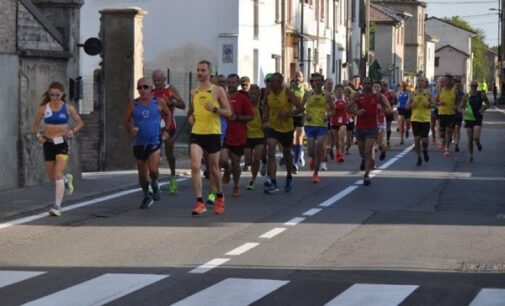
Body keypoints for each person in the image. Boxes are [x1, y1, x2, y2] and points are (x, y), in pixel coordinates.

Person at [32, 82, 84, 217]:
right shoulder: (44, 108)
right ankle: (66, 179)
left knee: (57, 172)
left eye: (57, 95)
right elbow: (35, 125)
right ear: (49, 95)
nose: (54, 97)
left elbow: (80, 123)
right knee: (52, 176)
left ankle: (57, 206)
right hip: (48, 143)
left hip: (62, 142)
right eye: (52, 95)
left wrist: (72, 131)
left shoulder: (68, 108)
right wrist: (39, 136)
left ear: (62, 94)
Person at [188, 60, 232, 215]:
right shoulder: (194, 92)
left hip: (213, 132)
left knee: (214, 169)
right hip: (197, 132)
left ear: (209, 72)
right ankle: (199, 202)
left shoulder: (217, 90)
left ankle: (220, 196)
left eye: (203, 70)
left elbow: (228, 113)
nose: (200, 73)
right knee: (195, 166)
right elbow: (193, 111)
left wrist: (214, 109)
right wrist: (191, 118)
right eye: (198, 70)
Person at [122, 77, 171, 209]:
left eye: (145, 87)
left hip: (154, 142)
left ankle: (155, 183)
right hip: (139, 143)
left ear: (150, 89)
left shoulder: (158, 102)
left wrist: (166, 130)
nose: (142, 90)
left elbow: (168, 114)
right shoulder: (134, 104)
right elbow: (125, 120)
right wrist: (131, 128)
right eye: (139, 87)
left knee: (153, 170)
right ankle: (146, 195)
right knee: (142, 175)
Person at [263, 72, 304, 193]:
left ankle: (289, 176)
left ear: (280, 83)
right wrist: (265, 115)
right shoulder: (268, 91)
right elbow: (265, 103)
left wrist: (288, 114)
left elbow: (301, 108)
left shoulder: (287, 92)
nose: (272, 84)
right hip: (273, 126)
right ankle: (273, 182)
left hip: (286, 127)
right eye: (271, 81)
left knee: (286, 153)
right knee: (271, 151)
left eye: (275, 81)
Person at [348, 77, 391, 186]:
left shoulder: (378, 96)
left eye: (368, 83)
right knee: (362, 151)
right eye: (365, 83)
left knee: (368, 151)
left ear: (371, 85)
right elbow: (347, 108)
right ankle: (365, 160)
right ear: (362, 84)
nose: (366, 85)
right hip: (360, 127)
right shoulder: (357, 95)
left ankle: (366, 174)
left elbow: (389, 108)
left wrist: (382, 110)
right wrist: (357, 112)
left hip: (372, 127)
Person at [151, 69, 186, 194]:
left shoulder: (170, 89)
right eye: (155, 80)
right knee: (155, 154)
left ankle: (172, 177)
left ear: (164, 79)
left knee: (169, 153)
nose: (157, 82)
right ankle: (154, 182)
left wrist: (171, 102)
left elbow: (183, 104)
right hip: (155, 126)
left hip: (169, 125)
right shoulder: (151, 91)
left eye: (159, 80)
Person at [220, 74, 254, 197]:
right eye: (229, 82)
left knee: (236, 162)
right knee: (222, 159)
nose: (231, 85)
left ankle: (236, 185)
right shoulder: (223, 97)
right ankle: (227, 170)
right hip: (225, 135)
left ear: (238, 83)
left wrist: (238, 118)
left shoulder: (242, 98)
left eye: (233, 82)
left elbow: (251, 116)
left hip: (239, 135)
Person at [304, 73, 334, 183]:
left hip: (322, 125)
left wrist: (327, 116)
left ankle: (315, 173)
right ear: (312, 82)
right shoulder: (307, 94)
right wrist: (306, 115)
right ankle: (313, 159)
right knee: (311, 151)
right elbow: (301, 107)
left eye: (319, 80)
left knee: (319, 146)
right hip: (310, 124)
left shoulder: (326, 95)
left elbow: (333, 110)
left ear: (322, 83)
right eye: (315, 81)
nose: (317, 82)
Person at [459, 80, 489, 161]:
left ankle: (478, 143)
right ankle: (470, 154)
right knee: (470, 139)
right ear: (470, 86)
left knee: (475, 137)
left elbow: (488, 104)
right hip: (468, 119)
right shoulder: (466, 96)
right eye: (472, 86)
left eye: (475, 86)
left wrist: (483, 108)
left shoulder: (482, 95)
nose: (473, 87)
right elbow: (460, 107)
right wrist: (463, 111)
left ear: (477, 86)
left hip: (477, 118)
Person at [406, 77, 433, 166]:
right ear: (416, 82)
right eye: (419, 81)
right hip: (415, 119)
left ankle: (425, 150)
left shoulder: (428, 93)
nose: (420, 82)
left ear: (425, 83)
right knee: (417, 139)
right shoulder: (412, 93)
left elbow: (434, 104)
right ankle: (419, 157)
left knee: (424, 140)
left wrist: (428, 105)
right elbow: (406, 106)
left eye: (422, 81)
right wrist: (411, 105)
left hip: (425, 119)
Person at [244, 84, 265, 190]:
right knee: (248, 161)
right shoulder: (246, 106)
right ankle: (254, 169)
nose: (252, 96)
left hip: (259, 136)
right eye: (250, 94)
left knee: (257, 158)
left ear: (259, 95)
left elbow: (268, 119)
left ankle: (253, 179)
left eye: (254, 94)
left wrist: (265, 124)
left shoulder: (262, 107)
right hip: (247, 136)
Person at [436, 75, 461, 157]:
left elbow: (458, 102)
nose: (446, 82)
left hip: (451, 114)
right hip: (442, 114)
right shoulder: (441, 90)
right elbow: (435, 101)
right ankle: (444, 140)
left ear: (451, 82)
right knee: (442, 131)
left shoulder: (454, 91)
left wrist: (457, 107)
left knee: (449, 131)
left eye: (448, 80)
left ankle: (446, 148)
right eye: (445, 80)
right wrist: (439, 103)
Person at [290, 71, 308, 170]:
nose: (297, 78)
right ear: (293, 77)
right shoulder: (290, 88)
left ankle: (295, 163)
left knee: (299, 138)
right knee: (291, 138)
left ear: (302, 78)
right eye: (296, 76)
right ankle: (299, 152)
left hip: (301, 115)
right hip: (292, 114)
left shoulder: (305, 88)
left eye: (299, 76)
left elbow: (309, 100)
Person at [330, 84, 348, 162]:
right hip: (334, 121)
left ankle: (342, 154)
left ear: (343, 91)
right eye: (337, 90)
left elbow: (350, 108)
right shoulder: (333, 100)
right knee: (336, 139)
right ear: (335, 91)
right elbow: (329, 109)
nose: (339, 92)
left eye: (341, 90)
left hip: (343, 121)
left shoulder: (346, 99)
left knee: (342, 137)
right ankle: (337, 152)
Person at [381, 80, 396, 148]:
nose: (384, 87)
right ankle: (381, 140)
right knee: (381, 127)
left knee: (388, 126)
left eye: (385, 85)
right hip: (381, 112)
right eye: (383, 85)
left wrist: (392, 108)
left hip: (389, 111)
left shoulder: (391, 93)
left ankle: (388, 140)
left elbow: (394, 102)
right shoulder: (380, 93)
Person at [396, 81, 411, 145]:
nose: (403, 87)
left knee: (408, 123)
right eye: (402, 86)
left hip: (408, 110)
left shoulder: (409, 93)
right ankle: (401, 139)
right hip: (400, 109)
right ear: (400, 86)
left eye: (404, 86)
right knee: (401, 124)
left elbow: (411, 100)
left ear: (406, 86)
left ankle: (407, 130)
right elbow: (396, 101)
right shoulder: (397, 93)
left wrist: (409, 106)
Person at [452, 79, 465, 153]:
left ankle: (457, 144)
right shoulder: (450, 93)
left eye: (458, 86)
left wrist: (461, 107)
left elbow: (465, 105)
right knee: (451, 130)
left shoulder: (462, 94)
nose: (457, 87)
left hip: (458, 115)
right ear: (454, 86)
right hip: (450, 114)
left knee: (457, 128)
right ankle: (452, 137)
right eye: (456, 85)